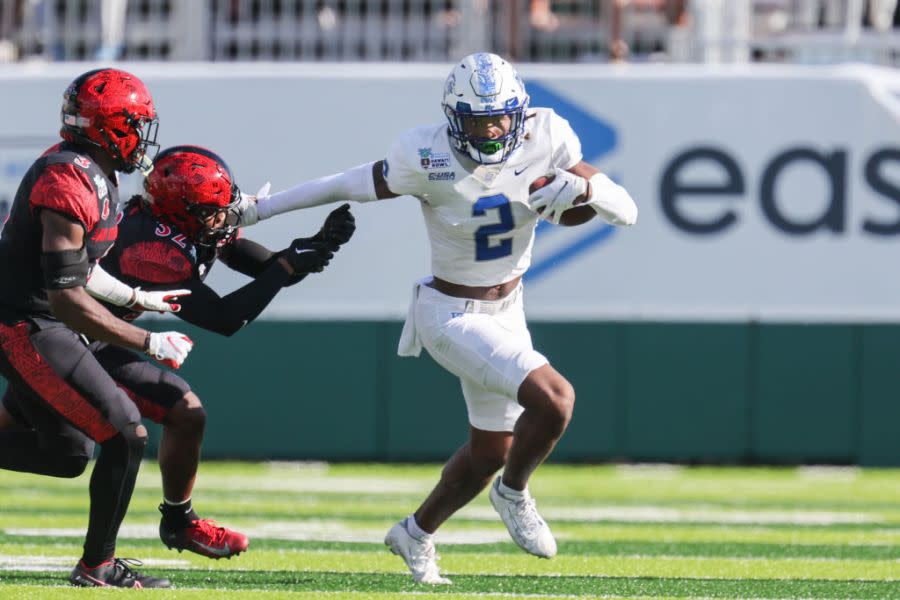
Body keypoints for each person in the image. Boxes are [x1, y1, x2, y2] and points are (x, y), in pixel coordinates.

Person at [233, 52, 637, 584]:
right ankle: (514, 494)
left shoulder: (547, 135)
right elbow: (346, 183)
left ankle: (415, 533)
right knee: (556, 400)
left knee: (491, 449)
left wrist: (589, 191)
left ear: (520, 113)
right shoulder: (424, 153)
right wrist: (260, 209)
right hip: (449, 313)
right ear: (453, 118)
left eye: (500, 118)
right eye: (478, 120)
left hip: (507, 309)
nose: (492, 130)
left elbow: (624, 210)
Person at [86, 144, 353, 558]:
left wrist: (312, 248)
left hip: (100, 339)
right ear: (179, 211)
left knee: (185, 413)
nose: (224, 216)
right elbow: (227, 318)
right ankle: (104, 560)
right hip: (70, 339)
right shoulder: (150, 246)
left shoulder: (193, 226)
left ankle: (179, 521)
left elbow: (268, 273)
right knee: (62, 451)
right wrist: (288, 264)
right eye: (212, 209)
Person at [0, 68, 194, 589]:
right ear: (110, 127)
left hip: (41, 317)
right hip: (24, 323)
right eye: (136, 124)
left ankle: (97, 565)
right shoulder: (67, 180)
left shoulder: (94, 174)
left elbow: (81, 268)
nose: (144, 135)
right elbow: (67, 300)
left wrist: (135, 298)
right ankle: (97, 567)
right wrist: (147, 339)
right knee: (126, 432)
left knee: (67, 455)